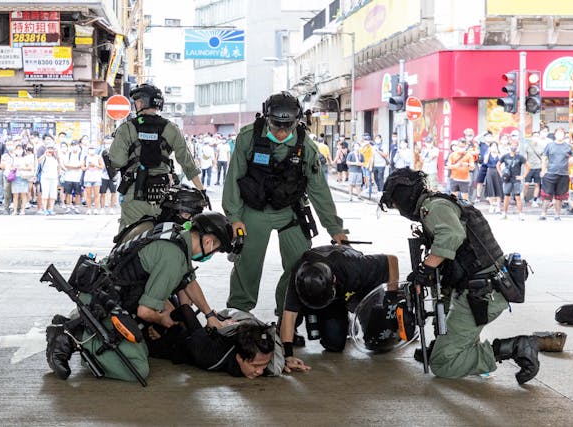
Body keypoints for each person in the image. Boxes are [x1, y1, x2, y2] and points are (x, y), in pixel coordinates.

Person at [378, 168, 540, 384]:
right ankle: (450, 345)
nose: (399, 210)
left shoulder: (433, 207)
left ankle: (515, 348)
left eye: (396, 203)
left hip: (481, 294)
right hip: (477, 288)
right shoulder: (440, 202)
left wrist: (426, 268)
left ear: (404, 196)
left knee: (443, 364)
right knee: (443, 324)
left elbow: (452, 234)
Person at [45, 212, 235, 383]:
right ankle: (70, 337)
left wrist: (210, 315)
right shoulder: (173, 257)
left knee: (143, 349)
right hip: (104, 304)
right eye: (217, 249)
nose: (213, 253)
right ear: (209, 241)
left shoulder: (174, 232)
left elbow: (189, 282)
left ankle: (77, 323)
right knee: (138, 368)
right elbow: (145, 311)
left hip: (102, 293)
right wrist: (163, 319)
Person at [222, 91, 348, 322]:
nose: (281, 131)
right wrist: (234, 217)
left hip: (289, 211)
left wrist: (335, 228)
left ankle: (287, 316)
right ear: (267, 118)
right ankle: (239, 313)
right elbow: (234, 178)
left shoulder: (307, 148)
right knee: (247, 262)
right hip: (254, 210)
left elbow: (319, 190)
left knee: (299, 263)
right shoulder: (248, 138)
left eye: (287, 126)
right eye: (276, 124)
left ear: (297, 121)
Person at [279, 245, 399, 372]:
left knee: (381, 341)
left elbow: (392, 261)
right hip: (332, 300)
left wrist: (391, 301)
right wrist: (288, 356)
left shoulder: (354, 266)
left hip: (359, 290)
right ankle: (341, 319)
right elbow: (289, 315)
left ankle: (353, 313)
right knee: (334, 344)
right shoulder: (299, 276)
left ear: (334, 280)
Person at [109, 83, 205, 230]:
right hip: (164, 196)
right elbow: (187, 163)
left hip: (135, 194)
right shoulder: (171, 128)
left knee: (128, 241)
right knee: (165, 236)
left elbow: (117, 161)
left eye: (136, 102)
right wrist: (201, 190)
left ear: (141, 103)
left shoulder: (127, 128)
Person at [145, 304, 276, 379]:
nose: (260, 371)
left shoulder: (252, 348)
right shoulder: (210, 355)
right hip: (169, 343)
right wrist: (161, 321)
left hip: (193, 337)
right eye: (255, 366)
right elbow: (185, 310)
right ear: (239, 358)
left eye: (264, 365)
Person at [539, 127, 573, 221]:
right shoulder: (549, 145)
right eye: (558, 133)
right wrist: (543, 170)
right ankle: (543, 214)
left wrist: (571, 163)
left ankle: (557, 215)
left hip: (563, 174)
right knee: (547, 196)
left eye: (562, 133)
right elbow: (544, 158)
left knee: (559, 197)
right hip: (550, 173)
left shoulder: (568, 147)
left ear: (564, 134)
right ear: (555, 135)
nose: (560, 135)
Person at [497, 138, 529, 220]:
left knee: (518, 197)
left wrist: (523, 176)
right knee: (506, 197)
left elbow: (528, 167)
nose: (513, 147)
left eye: (515, 145)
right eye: (512, 145)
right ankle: (504, 213)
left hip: (516, 179)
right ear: (509, 146)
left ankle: (520, 214)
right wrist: (501, 174)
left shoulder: (520, 157)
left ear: (517, 147)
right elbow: (498, 165)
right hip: (507, 179)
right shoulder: (505, 156)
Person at [522, 130, 546, 207]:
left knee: (537, 184)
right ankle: (523, 198)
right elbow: (525, 158)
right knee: (526, 184)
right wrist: (525, 168)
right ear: (532, 137)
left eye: (537, 136)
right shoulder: (527, 146)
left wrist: (543, 169)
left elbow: (543, 159)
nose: (536, 138)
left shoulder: (542, 147)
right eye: (534, 136)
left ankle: (534, 200)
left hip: (538, 167)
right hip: (529, 168)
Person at [483, 142, 503, 214]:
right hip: (490, 171)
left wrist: (498, 153)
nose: (494, 147)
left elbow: (502, 162)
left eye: (495, 146)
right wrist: (489, 152)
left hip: (498, 171)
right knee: (490, 187)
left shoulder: (499, 154)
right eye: (492, 146)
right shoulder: (488, 154)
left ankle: (498, 206)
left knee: (498, 188)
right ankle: (491, 205)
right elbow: (485, 162)